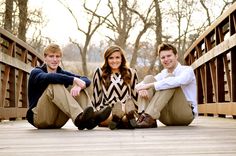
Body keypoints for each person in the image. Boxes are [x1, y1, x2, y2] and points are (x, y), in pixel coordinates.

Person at [26, 43, 111, 130]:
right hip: (39, 118)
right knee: (54, 84)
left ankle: (90, 119)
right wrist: (73, 80)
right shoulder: (36, 72)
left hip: (57, 121)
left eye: (57, 56)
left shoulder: (62, 73)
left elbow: (85, 80)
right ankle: (79, 117)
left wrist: (79, 86)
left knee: (79, 87)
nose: (55, 59)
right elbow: (49, 77)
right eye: (51, 56)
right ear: (45, 57)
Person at [135, 42, 197, 128]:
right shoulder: (162, 74)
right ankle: (143, 117)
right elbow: (137, 86)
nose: (166, 59)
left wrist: (151, 85)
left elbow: (179, 80)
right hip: (165, 118)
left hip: (184, 115)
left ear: (176, 56)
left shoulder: (187, 70)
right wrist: (142, 89)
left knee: (169, 80)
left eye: (169, 56)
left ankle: (148, 116)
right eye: (163, 57)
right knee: (148, 78)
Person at [92, 45, 139, 130]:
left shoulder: (131, 72)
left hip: (125, 108)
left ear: (122, 59)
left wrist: (139, 114)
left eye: (117, 57)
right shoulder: (100, 72)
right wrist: (97, 113)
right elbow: (96, 95)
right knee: (121, 118)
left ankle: (121, 119)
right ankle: (122, 120)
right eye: (111, 58)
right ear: (107, 59)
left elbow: (135, 95)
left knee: (125, 111)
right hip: (107, 110)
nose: (114, 61)